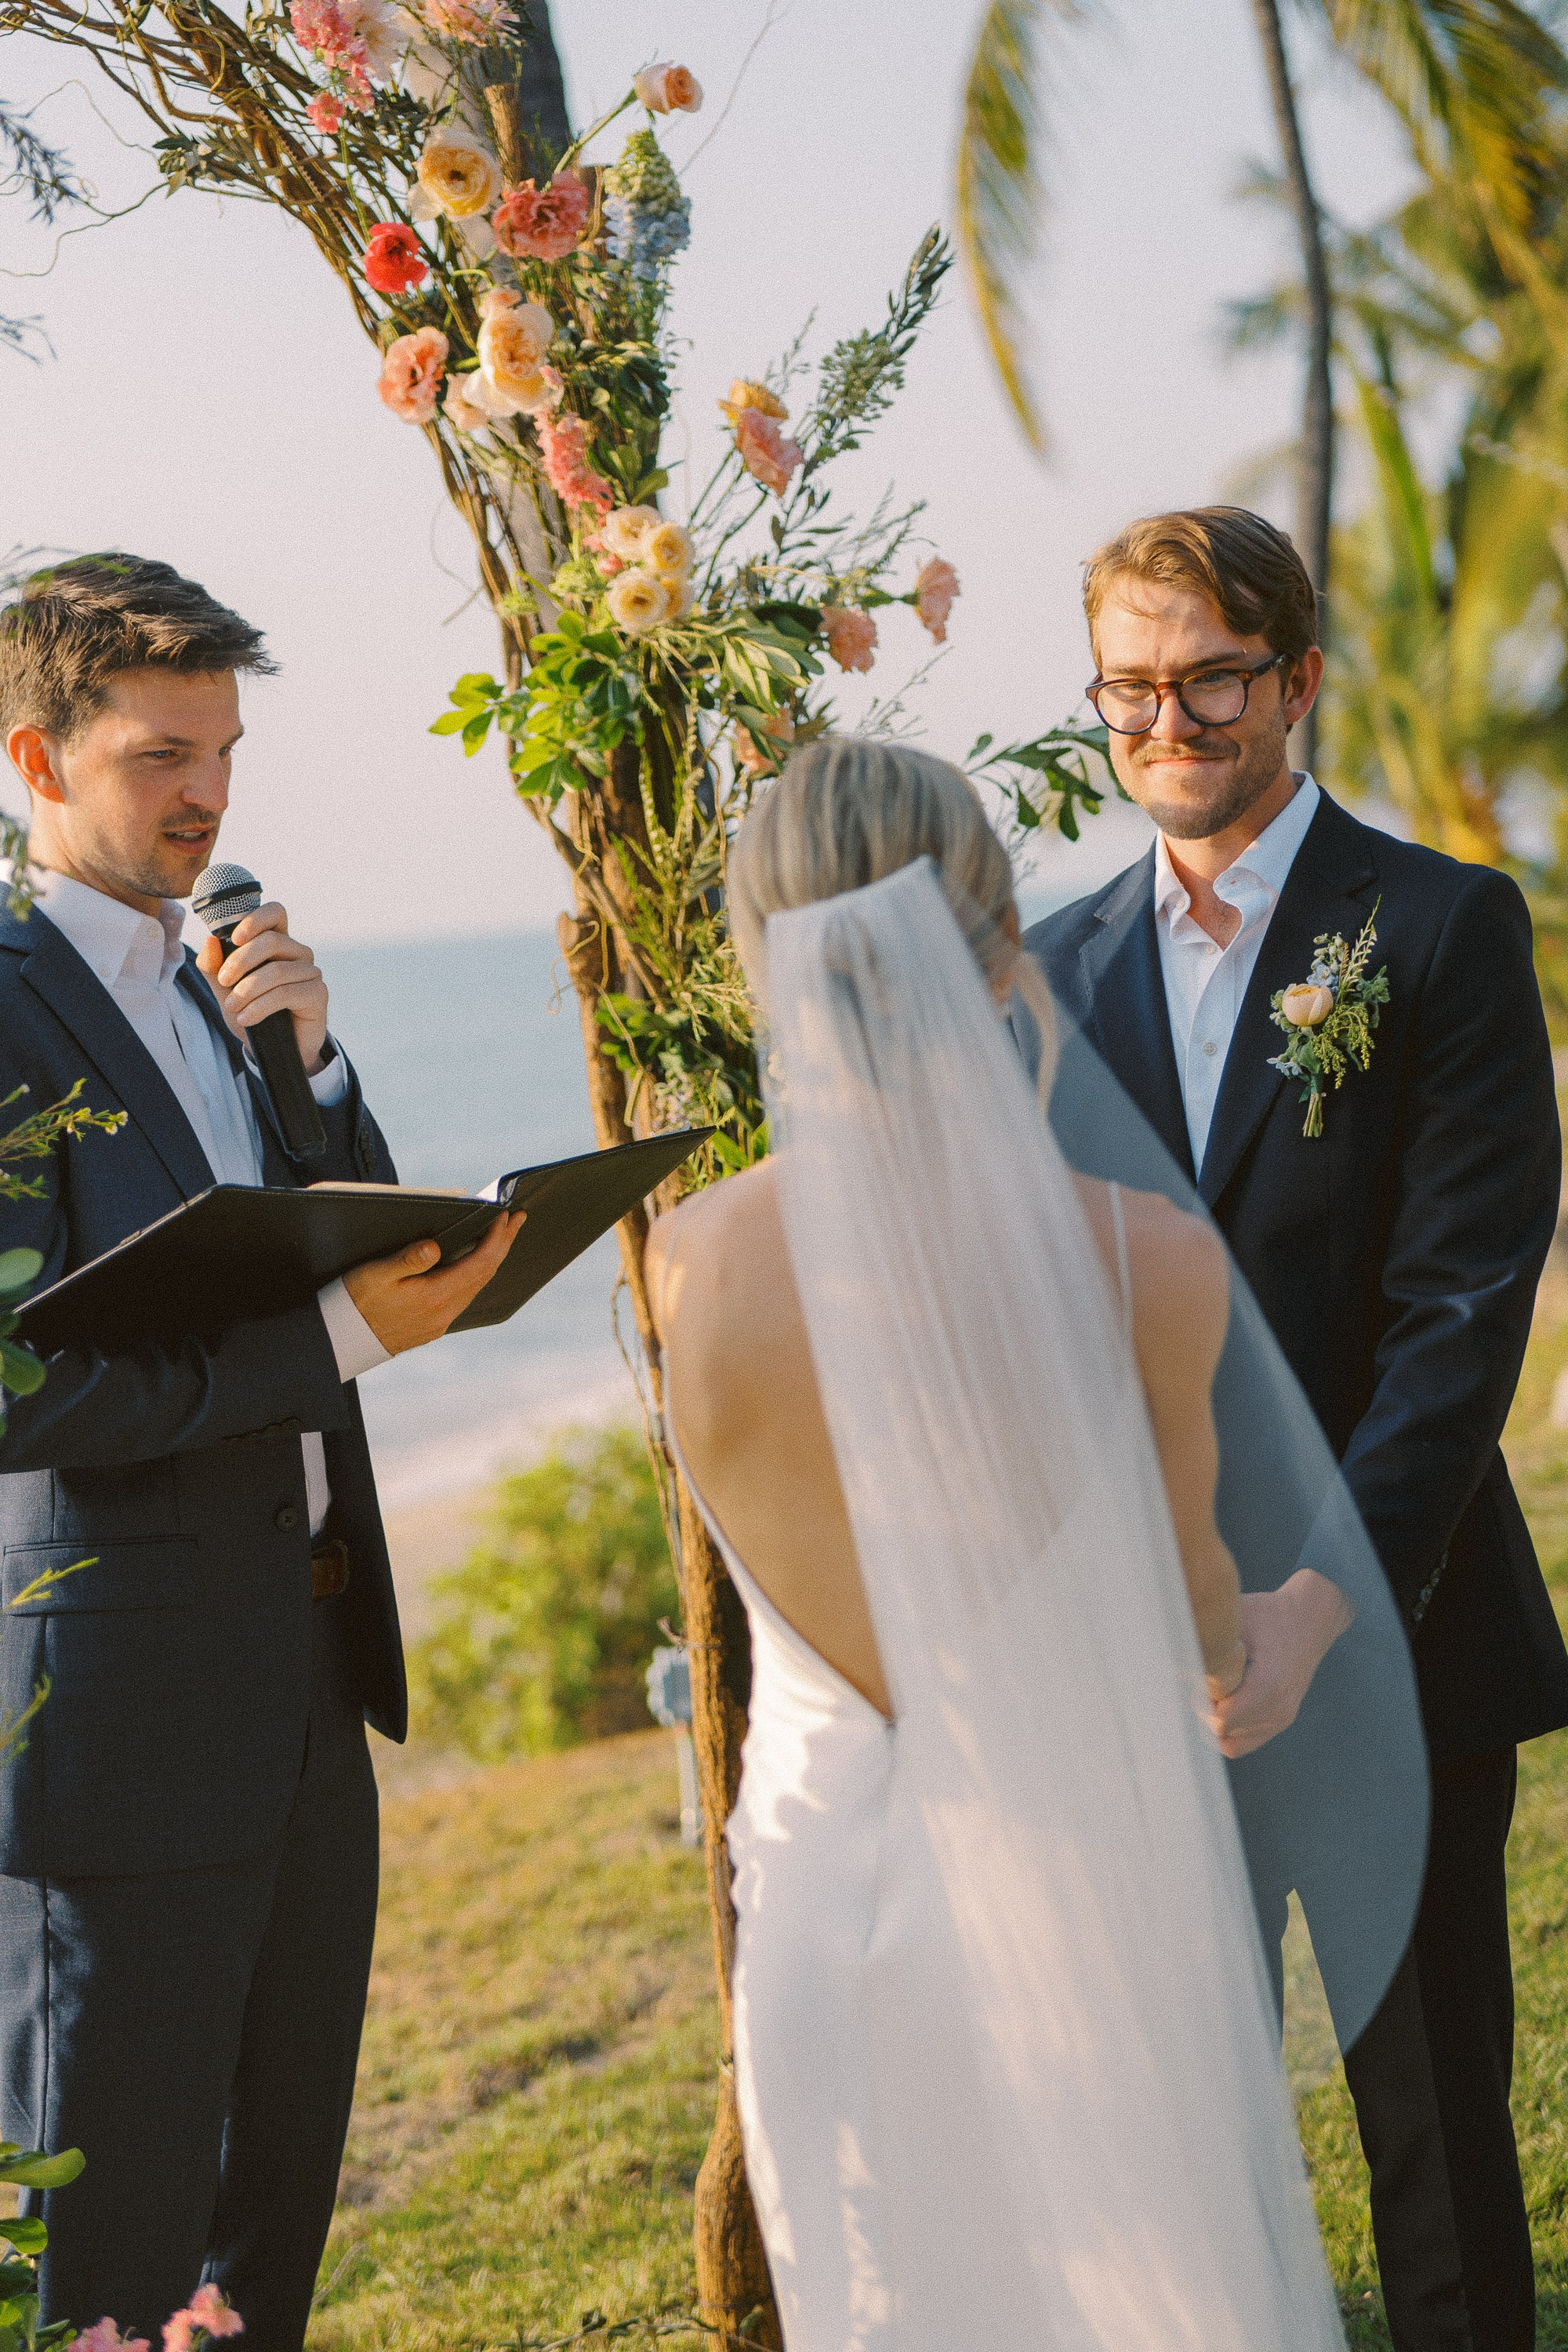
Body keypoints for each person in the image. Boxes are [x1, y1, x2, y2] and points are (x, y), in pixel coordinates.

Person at [646, 736, 1418, 2349]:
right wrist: (1261, 1640)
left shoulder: (690, 1263)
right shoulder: (1144, 1264)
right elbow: (1198, 1614)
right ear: (996, 944)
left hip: (814, 1929)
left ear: (755, 958)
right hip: (1084, 1902)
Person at [1025, 506, 1568, 2352]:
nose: (1166, 721)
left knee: (1431, 2139)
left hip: (1389, 1637)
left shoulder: (1432, 926)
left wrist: (1316, 1603)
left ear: (1298, 681)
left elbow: (1461, 1312)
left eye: (1210, 679)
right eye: (1128, 686)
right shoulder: (1043, 968)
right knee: (1186, 2139)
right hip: (1142, 1656)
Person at [0, 555, 521, 2347]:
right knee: (112, 2260)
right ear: (34, 755)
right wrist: (331, 1342)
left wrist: (312, 1062)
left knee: (272, 2226)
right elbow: (13, 1385)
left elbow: (323, 1223)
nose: (206, 791)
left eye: (223, 748)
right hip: (121, 1718)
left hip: (307, 1672)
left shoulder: (222, 980)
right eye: (159, 753)